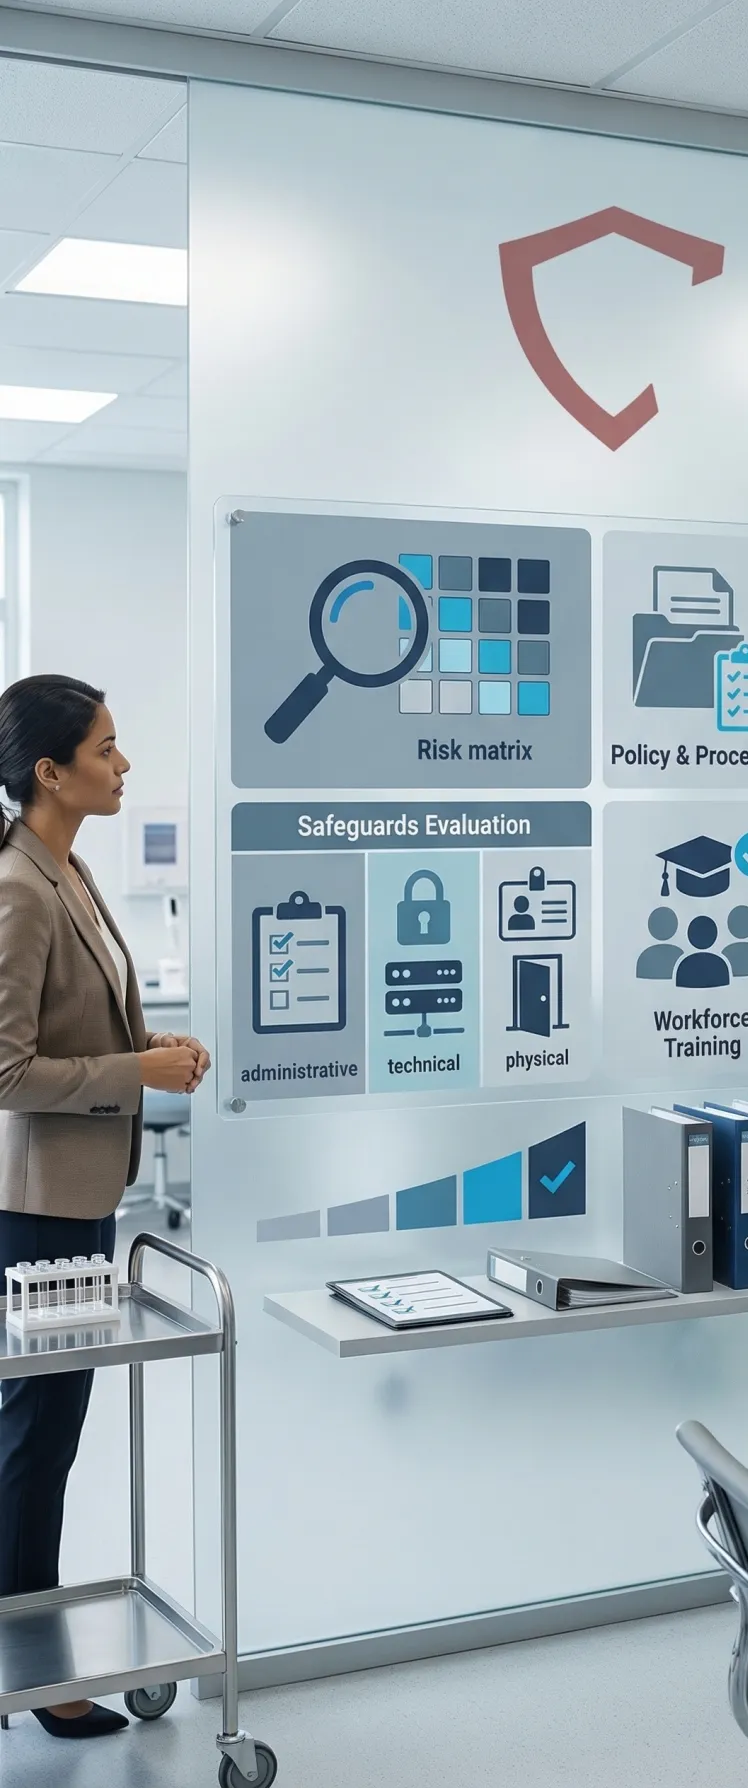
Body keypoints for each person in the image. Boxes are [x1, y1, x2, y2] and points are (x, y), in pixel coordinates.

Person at [0, 675, 211, 1742]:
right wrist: (141, 1070)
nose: (123, 765)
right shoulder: (22, 888)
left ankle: (27, 1649)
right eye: (108, 748)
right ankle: (40, 1677)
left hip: (81, 1200)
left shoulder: (69, 870)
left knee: (50, 1433)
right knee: (39, 1437)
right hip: (40, 1213)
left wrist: (156, 1059)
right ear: (50, 770)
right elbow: (9, 1073)